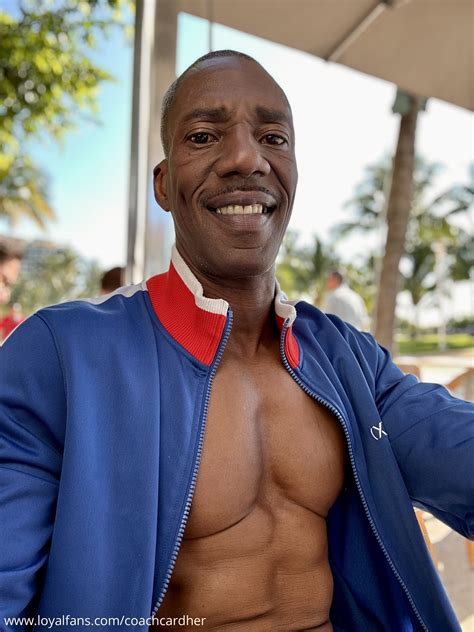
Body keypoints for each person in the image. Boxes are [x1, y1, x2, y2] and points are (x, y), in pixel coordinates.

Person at [0, 50, 472, 632]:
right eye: (203, 136)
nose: (248, 158)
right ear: (164, 184)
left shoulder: (349, 359)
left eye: (273, 138)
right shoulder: (61, 358)